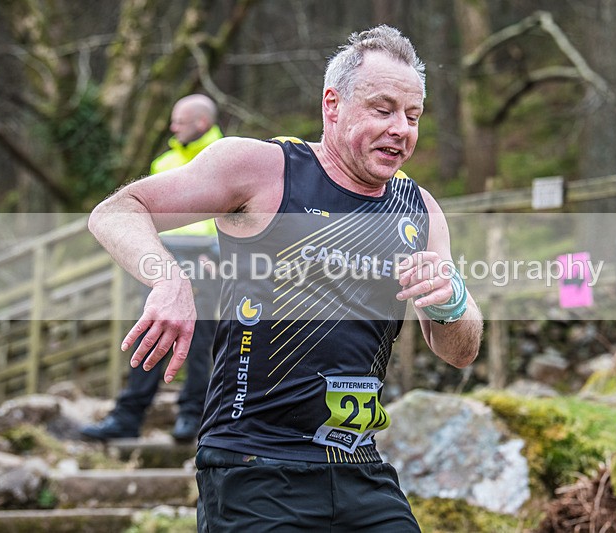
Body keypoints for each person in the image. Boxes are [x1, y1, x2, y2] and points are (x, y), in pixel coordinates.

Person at [88, 25, 483, 532]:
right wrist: (168, 279)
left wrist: (453, 301)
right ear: (333, 104)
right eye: (383, 110)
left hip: (361, 469)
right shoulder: (263, 169)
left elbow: (460, 352)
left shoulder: (420, 210)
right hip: (254, 469)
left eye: (412, 116)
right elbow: (118, 209)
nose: (401, 129)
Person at [81, 94, 223, 442]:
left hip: (209, 264)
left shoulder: (228, 158)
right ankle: (128, 417)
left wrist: (221, 257)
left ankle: (193, 417)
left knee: (201, 343)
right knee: (150, 334)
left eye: (179, 120)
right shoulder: (164, 162)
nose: (172, 126)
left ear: (201, 123)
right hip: (164, 263)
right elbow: (143, 219)